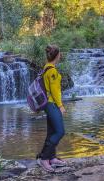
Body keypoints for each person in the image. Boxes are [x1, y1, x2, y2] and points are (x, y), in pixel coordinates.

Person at [36, 44, 67, 172]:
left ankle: (51, 157)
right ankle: (44, 159)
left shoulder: (46, 68)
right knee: (60, 132)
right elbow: (54, 91)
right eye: (60, 54)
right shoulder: (52, 71)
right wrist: (60, 106)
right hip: (51, 104)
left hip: (47, 104)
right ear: (57, 55)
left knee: (52, 132)